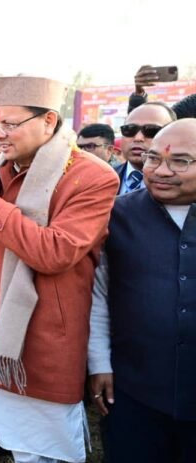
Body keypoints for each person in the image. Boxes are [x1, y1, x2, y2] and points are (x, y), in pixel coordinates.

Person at [0, 76, 119, 463]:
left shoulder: (92, 177)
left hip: (36, 346)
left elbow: (56, 252)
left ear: (48, 120)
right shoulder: (0, 165)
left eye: (10, 124)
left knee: (36, 452)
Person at [89, 120, 196, 462]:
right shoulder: (115, 215)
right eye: (153, 158)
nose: (161, 171)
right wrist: (99, 363)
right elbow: (98, 296)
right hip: (134, 389)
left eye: (180, 161)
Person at [116, 102, 176, 194]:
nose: (138, 138)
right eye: (130, 129)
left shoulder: (184, 182)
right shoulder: (103, 177)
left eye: (151, 130)